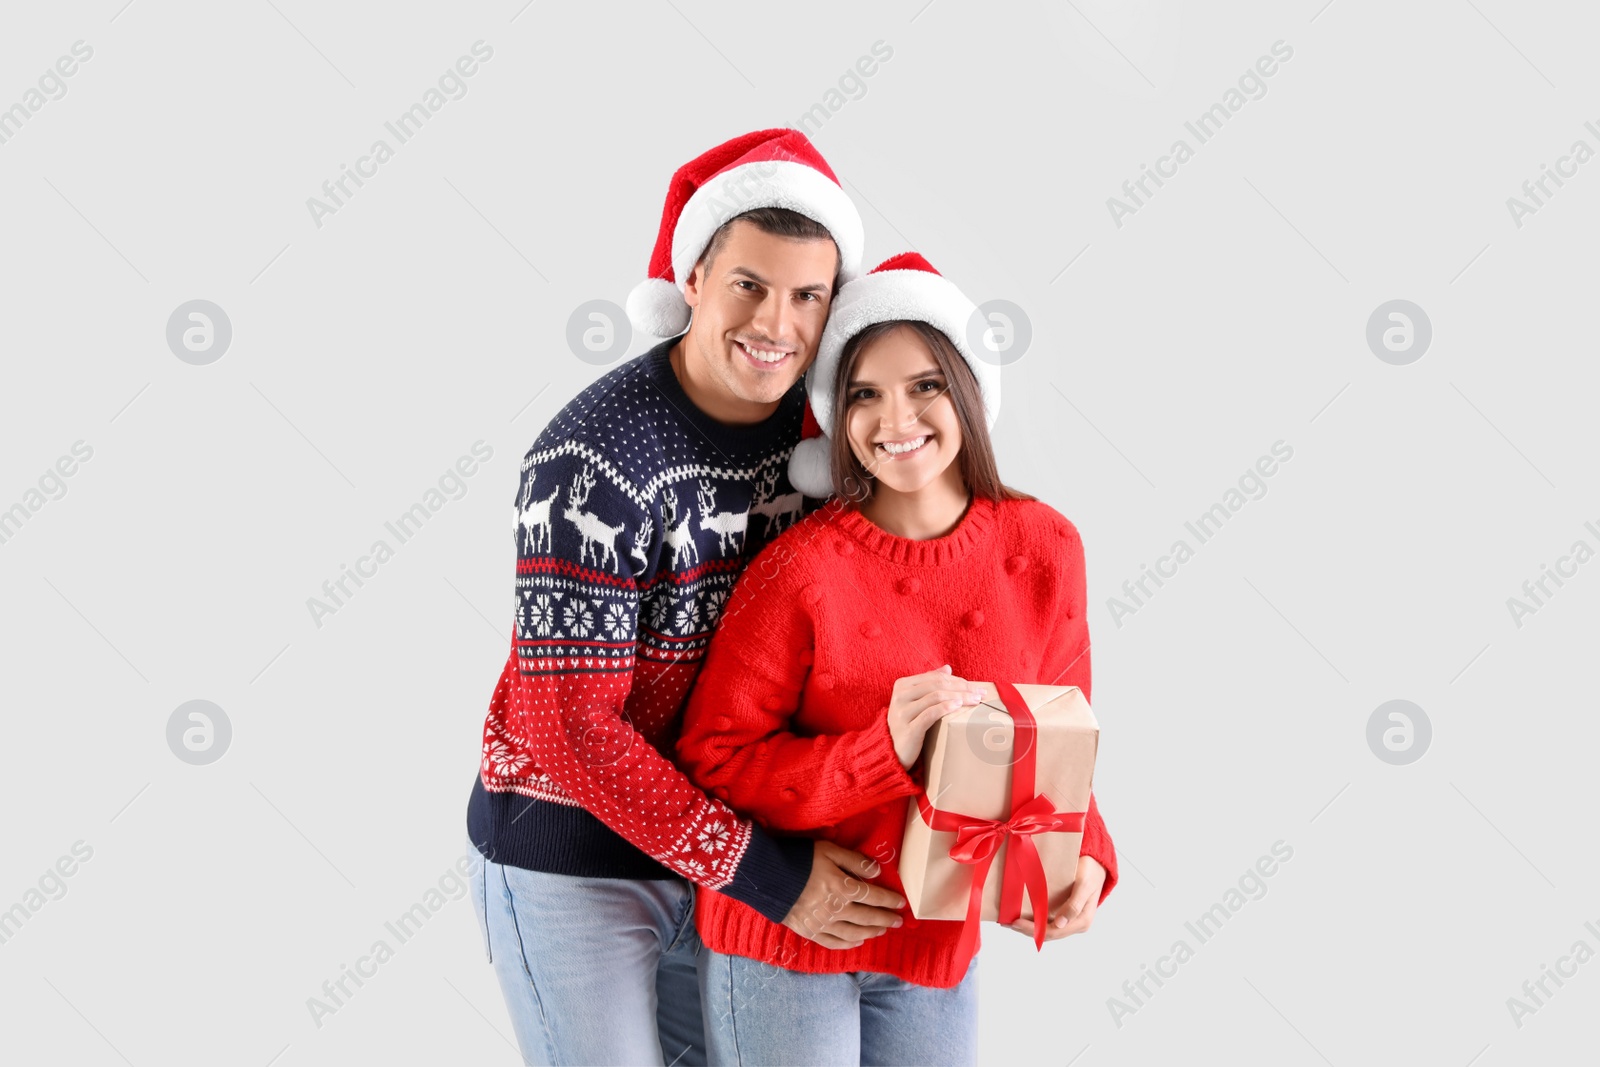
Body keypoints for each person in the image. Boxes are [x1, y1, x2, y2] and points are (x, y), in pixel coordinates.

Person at [464, 129, 910, 1067]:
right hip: (572, 854)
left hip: (723, 842)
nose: (776, 323)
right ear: (696, 279)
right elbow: (568, 727)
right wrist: (767, 873)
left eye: (807, 296)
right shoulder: (592, 459)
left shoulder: (831, 433)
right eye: (749, 283)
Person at [676, 252, 1119, 1065]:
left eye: (925, 385)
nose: (895, 418)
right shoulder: (800, 570)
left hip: (937, 947)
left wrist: (1086, 852)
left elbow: (1057, 739)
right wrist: (882, 751)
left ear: (969, 390)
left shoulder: (1045, 546)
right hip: (783, 943)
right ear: (836, 417)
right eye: (864, 395)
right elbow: (713, 759)